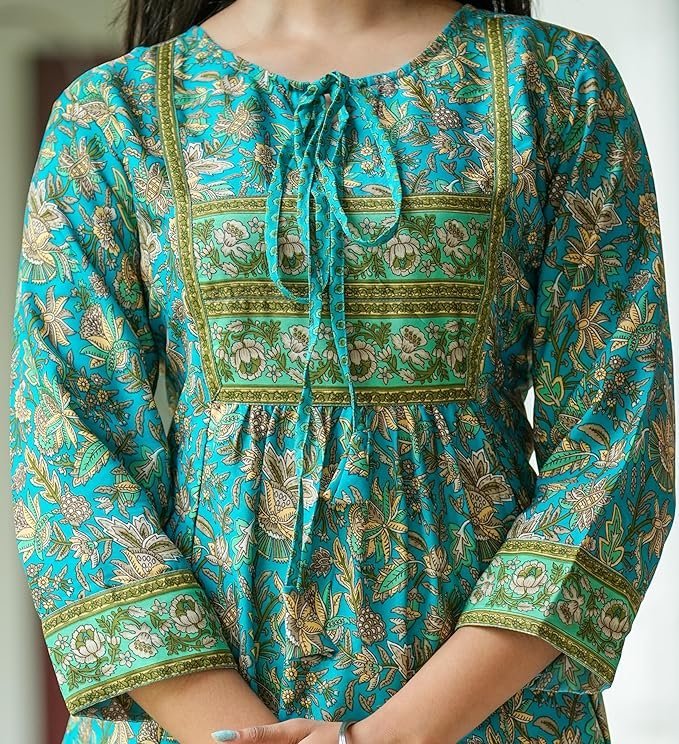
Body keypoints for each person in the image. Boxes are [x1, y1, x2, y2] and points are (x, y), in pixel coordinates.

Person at [8, 0, 675, 742]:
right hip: (188, 720)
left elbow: (617, 436)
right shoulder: (112, 112)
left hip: (490, 715)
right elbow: (66, 450)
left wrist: (397, 736)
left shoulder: (553, 81)